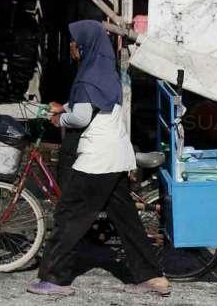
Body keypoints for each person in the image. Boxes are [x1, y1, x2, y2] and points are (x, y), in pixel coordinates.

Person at [27, 20, 170, 297]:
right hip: (115, 154)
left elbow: (81, 116)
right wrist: (66, 105)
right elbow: (95, 106)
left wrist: (60, 117)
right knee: (126, 220)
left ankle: (55, 279)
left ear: (86, 44)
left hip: (97, 158)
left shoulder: (88, 75)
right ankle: (153, 278)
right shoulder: (104, 70)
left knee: (70, 214)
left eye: (74, 41)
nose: (71, 46)